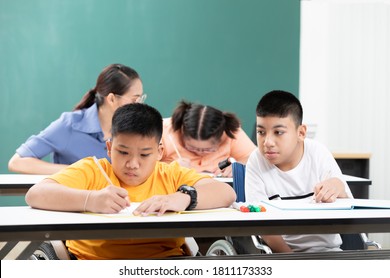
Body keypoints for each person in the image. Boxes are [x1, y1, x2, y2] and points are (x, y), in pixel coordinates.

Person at [25, 103, 236, 260]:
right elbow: (36, 194)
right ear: (109, 148)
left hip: (163, 265)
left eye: (144, 155)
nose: (133, 164)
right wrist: (90, 199)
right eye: (123, 152)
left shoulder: (170, 174)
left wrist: (183, 197)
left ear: (159, 152)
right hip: (93, 265)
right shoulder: (93, 170)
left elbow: (226, 193)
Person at [245, 90, 353, 253]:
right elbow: (263, 226)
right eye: (261, 132)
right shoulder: (256, 160)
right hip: (282, 254)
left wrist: (337, 187)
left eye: (278, 132)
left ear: (301, 133)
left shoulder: (318, 153)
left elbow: (349, 208)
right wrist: (293, 261)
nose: (267, 142)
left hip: (327, 251)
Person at [8, 63, 146, 175]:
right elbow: (17, 162)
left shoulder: (133, 129)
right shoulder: (70, 125)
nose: (139, 105)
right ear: (111, 99)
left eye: (141, 99)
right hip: (71, 205)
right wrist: (77, 171)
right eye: (135, 99)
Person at [160, 100, 256, 177]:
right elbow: (146, 166)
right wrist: (169, 168)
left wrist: (239, 166)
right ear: (181, 131)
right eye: (191, 147)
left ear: (221, 136)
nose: (199, 153)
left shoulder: (230, 132)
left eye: (208, 149)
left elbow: (255, 158)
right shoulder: (162, 131)